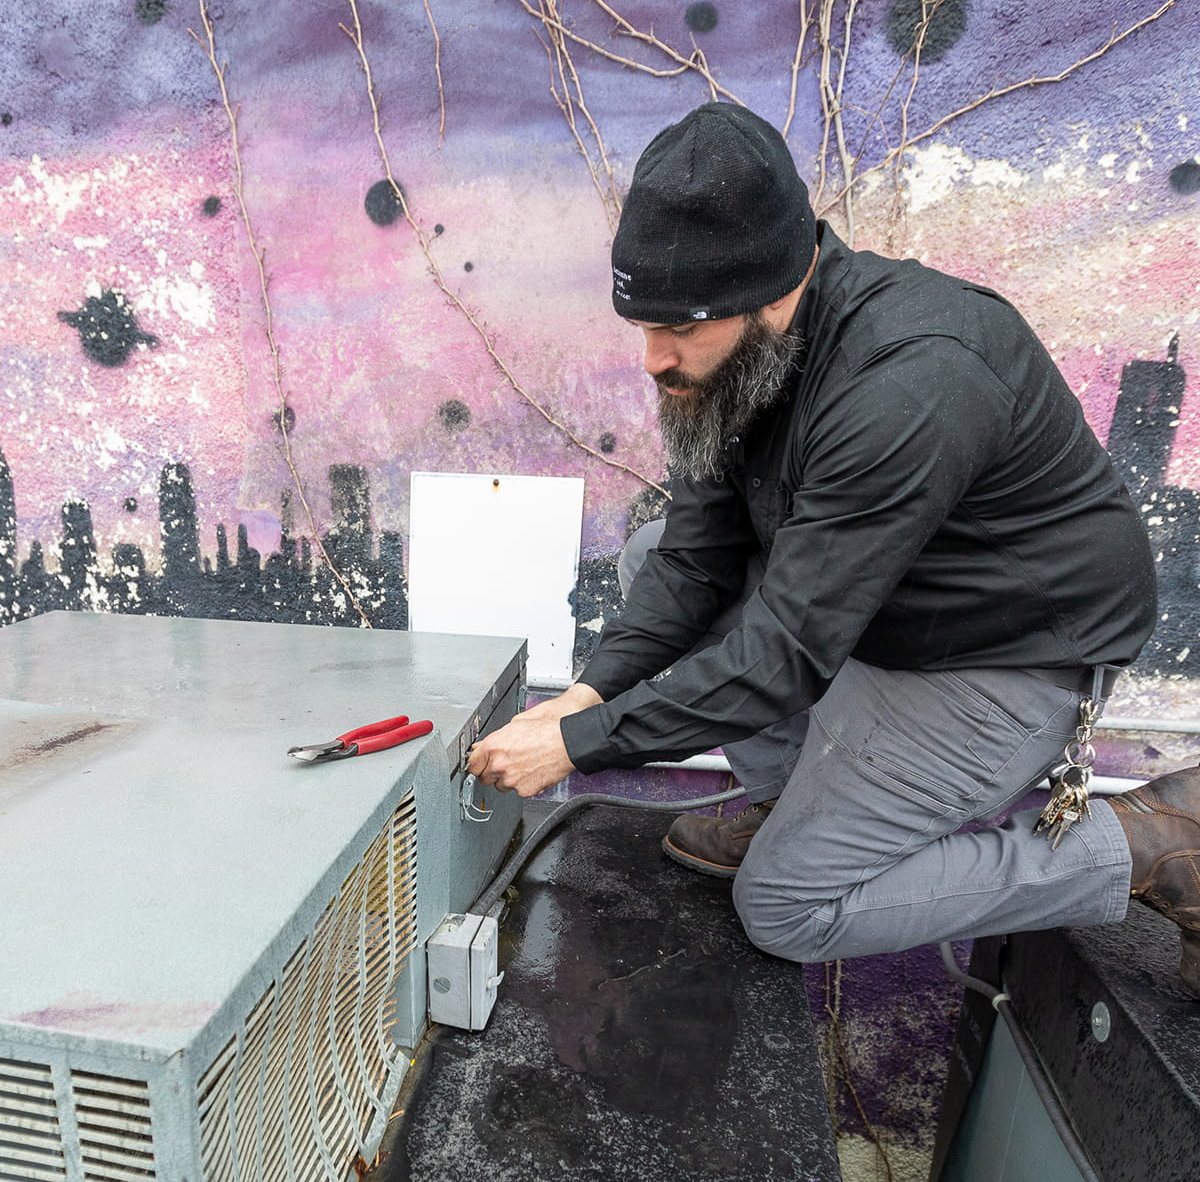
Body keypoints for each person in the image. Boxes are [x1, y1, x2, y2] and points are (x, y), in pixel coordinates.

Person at [468, 102, 1200, 998]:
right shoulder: (738, 358)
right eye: (643, 326)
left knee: (788, 907)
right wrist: (581, 697)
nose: (655, 359)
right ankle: (790, 804)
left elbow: (787, 654)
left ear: (773, 292)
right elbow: (696, 557)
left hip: (1005, 660)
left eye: (682, 329)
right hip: (883, 614)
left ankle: (1150, 844)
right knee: (652, 549)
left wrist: (579, 746)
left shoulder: (914, 378)